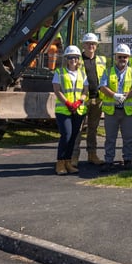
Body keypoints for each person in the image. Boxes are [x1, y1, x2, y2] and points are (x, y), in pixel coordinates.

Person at [99, 44, 132, 172]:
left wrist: (127, 96)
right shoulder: (108, 71)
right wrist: (114, 95)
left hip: (127, 111)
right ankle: (109, 161)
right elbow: (102, 87)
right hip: (111, 111)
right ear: (115, 57)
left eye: (125, 57)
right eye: (120, 57)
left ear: (128, 58)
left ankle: (128, 160)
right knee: (110, 138)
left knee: (128, 137)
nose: (122, 59)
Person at [52, 45, 88, 175]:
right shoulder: (59, 72)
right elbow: (57, 90)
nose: (73, 60)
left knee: (73, 136)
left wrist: (79, 102)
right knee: (66, 135)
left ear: (78, 59)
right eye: (70, 57)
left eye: (76, 57)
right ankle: (60, 163)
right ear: (66, 59)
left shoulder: (82, 73)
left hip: (78, 110)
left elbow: (85, 91)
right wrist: (67, 103)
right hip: (64, 110)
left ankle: (68, 162)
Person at [71, 32, 105, 167]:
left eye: (93, 44)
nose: (91, 46)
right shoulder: (77, 61)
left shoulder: (101, 60)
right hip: (82, 99)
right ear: (83, 45)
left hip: (97, 100)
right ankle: (74, 157)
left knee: (93, 129)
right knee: (78, 129)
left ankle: (92, 155)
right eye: (88, 43)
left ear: (96, 46)